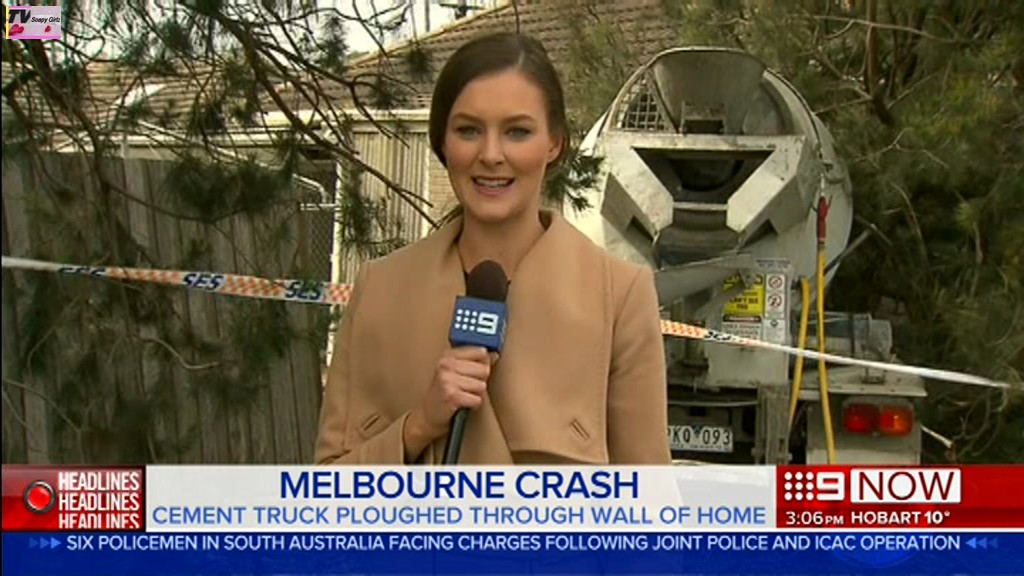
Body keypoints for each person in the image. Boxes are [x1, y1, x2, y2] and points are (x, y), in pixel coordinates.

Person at [314, 32, 670, 465]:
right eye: (468, 130)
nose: (491, 154)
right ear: (442, 142)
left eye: (517, 131)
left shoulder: (619, 296)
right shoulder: (381, 290)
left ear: (554, 143)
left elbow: (647, 497)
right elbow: (327, 488)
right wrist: (419, 426)